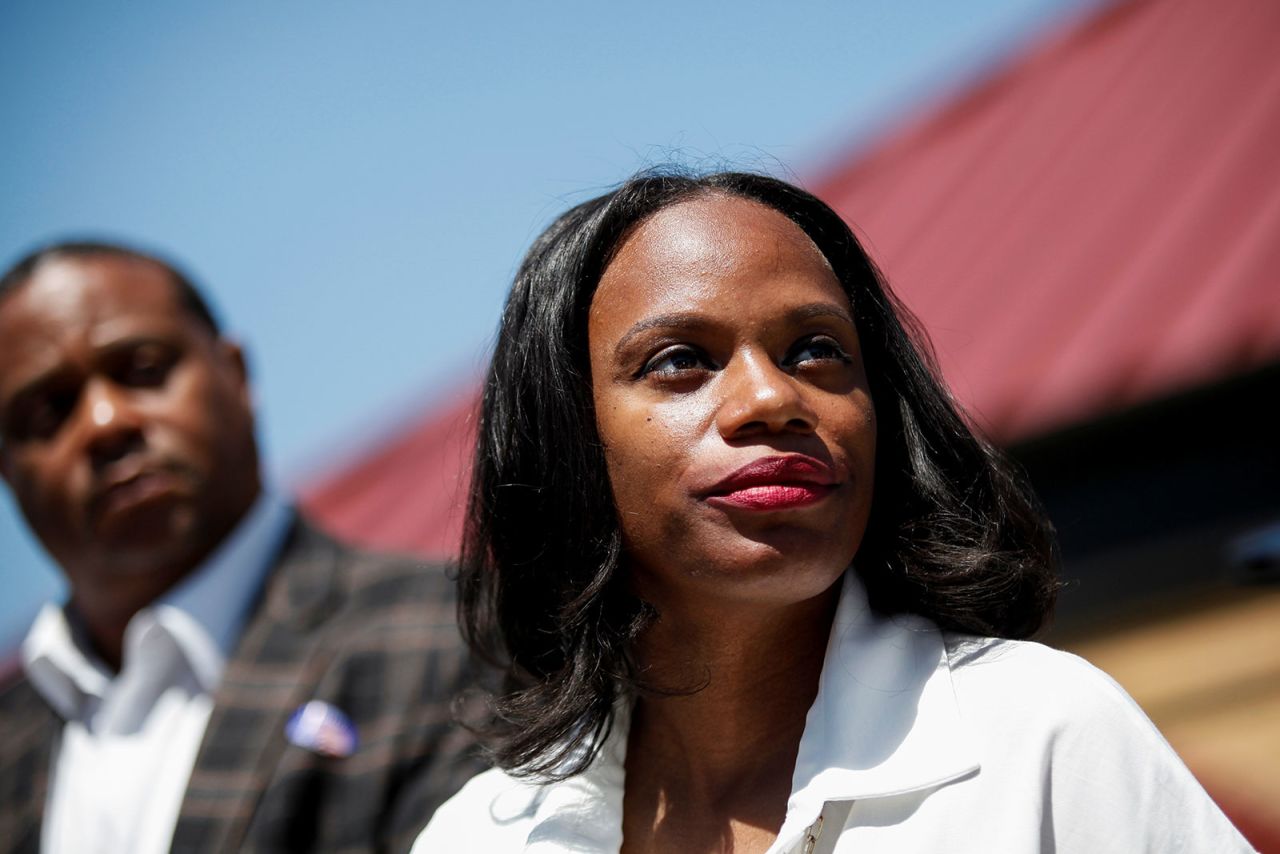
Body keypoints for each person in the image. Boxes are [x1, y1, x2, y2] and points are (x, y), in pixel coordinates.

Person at [413, 171, 1253, 853]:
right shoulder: (481, 835)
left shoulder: (1044, 736)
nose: (771, 397)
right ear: (564, 440)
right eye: (680, 361)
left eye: (816, 350)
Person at [0, 242, 483, 853]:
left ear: (235, 374)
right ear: (7, 467)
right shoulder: (11, 734)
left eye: (143, 369)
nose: (104, 421)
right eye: (49, 410)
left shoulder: (460, 638)